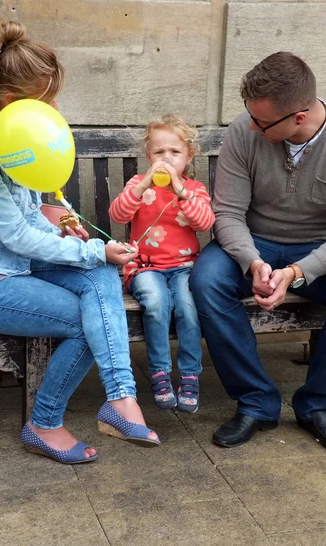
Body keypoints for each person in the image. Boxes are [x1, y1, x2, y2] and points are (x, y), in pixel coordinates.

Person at [0, 20, 160, 465]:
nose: (54, 107)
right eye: (46, 98)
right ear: (12, 100)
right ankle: (44, 422)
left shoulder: (19, 132)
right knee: (89, 320)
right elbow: (12, 233)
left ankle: (122, 399)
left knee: (101, 274)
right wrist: (90, 248)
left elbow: (26, 216)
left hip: (14, 261)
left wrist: (60, 227)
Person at [189, 52, 326, 457]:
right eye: (249, 115)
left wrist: (296, 272)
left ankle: (318, 407)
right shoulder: (245, 131)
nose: (250, 126)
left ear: (299, 116)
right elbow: (226, 213)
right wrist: (253, 262)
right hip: (253, 241)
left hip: (323, 249)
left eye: (261, 122)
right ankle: (256, 402)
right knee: (206, 280)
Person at [109, 115, 215, 413]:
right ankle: (159, 372)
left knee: (188, 308)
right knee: (156, 303)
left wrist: (181, 191)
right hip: (144, 266)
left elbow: (205, 222)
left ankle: (190, 374)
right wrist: (142, 186)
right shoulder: (138, 186)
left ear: (189, 156)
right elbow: (118, 215)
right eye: (159, 153)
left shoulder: (193, 189)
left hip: (185, 267)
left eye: (175, 152)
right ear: (148, 156)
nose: (166, 159)